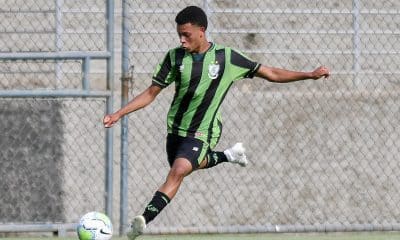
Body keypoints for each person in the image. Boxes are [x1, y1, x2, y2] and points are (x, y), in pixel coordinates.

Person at [103, 5, 330, 239]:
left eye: (186, 35)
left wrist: (309, 75)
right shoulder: (174, 57)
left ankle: (141, 222)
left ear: (202, 31)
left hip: (204, 130)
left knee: (178, 170)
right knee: (186, 167)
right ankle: (229, 155)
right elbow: (151, 93)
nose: (181, 40)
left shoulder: (226, 58)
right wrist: (119, 114)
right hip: (175, 130)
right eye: (179, 34)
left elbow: (270, 72)